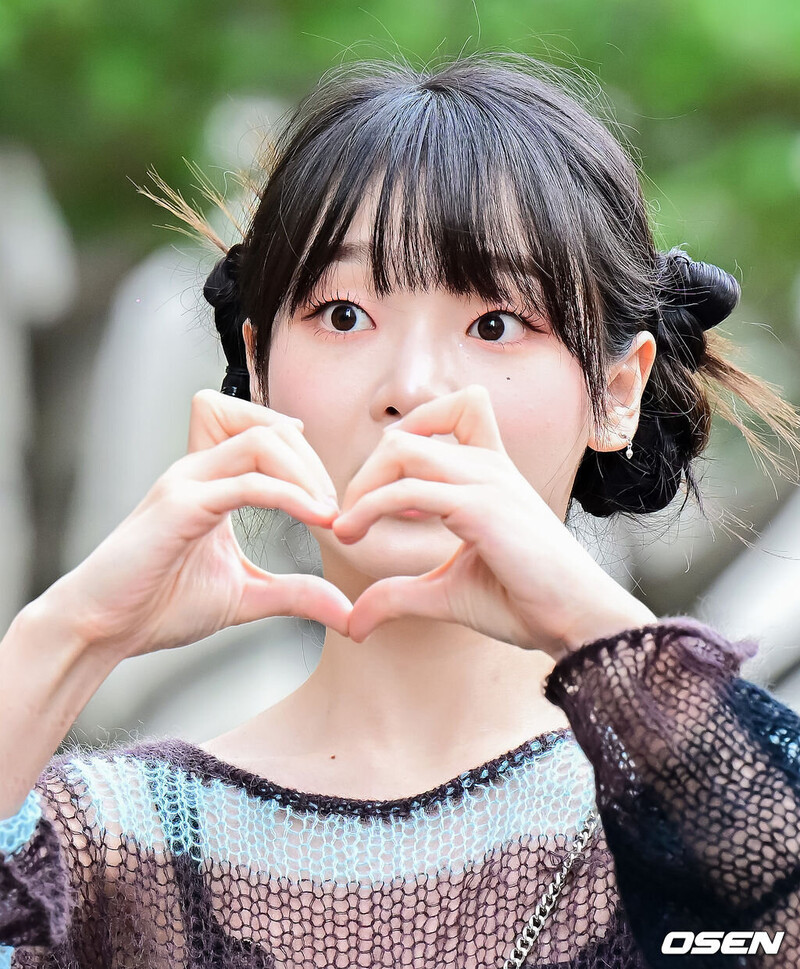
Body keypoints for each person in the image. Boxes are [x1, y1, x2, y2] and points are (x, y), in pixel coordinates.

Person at [1, 51, 800, 969]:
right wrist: (65, 636)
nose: (412, 387)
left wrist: (600, 632)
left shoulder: (694, 833)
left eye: (495, 322)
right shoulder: (107, 851)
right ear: (258, 369)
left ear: (618, 391)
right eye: (344, 314)